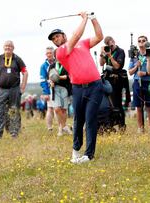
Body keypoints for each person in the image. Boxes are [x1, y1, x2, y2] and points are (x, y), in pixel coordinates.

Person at [48, 11, 103, 163]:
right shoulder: (59, 52)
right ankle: (76, 150)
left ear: (64, 35)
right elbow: (76, 36)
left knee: (91, 118)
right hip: (78, 88)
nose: (55, 40)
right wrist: (84, 19)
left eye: (57, 36)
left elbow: (99, 37)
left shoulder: (82, 43)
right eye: (53, 39)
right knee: (79, 120)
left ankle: (89, 155)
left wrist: (93, 18)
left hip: (95, 85)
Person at [0, 40, 28, 139]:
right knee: (0, 112)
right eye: (6, 46)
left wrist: (23, 87)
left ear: (13, 48)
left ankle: (14, 133)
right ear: (3, 47)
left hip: (14, 89)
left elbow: (25, 72)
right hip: (1, 90)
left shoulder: (17, 59)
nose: (8, 48)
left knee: (14, 111)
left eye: (10, 46)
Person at [99, 36, 130, 130]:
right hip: (107, 79)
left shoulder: (120, 51)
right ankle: (110, 124)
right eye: (108, 44)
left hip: (117, 80)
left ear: (114, 41)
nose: (110, 46)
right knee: (108, 103)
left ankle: (121, 125)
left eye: (111, 44)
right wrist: (102, 54)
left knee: (117, 103)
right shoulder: (107, 51)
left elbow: (117, 66)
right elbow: (101, 63)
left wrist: (109, 56)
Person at [128, 35, 150, 133]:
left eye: (143, 41)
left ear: (146, 42)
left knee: (149, 106)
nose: (141, 42)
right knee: (139, 106)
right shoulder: (134, 55)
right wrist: (136, 66)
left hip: (148, 81)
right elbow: (130, 72)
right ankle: (140, 128)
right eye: (139, 41)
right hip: (137, 82)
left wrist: (145, 73)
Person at [48, 59, 73, 136]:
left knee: (64, 110)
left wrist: (57, 77)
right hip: (54, 88)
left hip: (64, 88)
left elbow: (67, 77)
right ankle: (65, 126)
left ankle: (60, 129)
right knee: (56, 109)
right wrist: (51, 81)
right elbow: (49, 77)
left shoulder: (67, 64)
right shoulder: (52, 66)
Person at [40, 46, 56, 131]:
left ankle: (62, 126)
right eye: (47, 53)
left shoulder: (58, 62)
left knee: (59, 108)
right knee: (50, 108)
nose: (49, 55)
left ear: (53, 53)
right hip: (50, 89)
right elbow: (42, 80)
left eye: (50, 53)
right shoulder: (44, 66)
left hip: (59, 88)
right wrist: (46, 92)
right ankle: (50, 128)